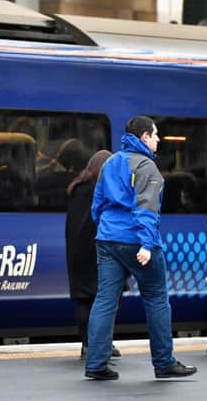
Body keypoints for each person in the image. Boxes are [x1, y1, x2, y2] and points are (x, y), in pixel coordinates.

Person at [84, 116, 197, 380]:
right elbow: (146, 209)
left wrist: (105, 229)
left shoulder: (110, 162)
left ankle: (96, 363)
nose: (158, 140)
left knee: (104, 300)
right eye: (156, 135)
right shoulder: (148, 168)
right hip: (137, 242)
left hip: (108, 240)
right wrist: (146, 243)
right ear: (144, 136)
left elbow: (97, 203)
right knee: (157, 299)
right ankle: (164, 362)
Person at [65, 150, 124, 360]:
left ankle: (89, 344)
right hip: (96, 250)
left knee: (84, 299)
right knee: (104, 300)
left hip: (77, 251)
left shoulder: (77, 188)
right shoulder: (99, 189)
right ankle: (100, 344)